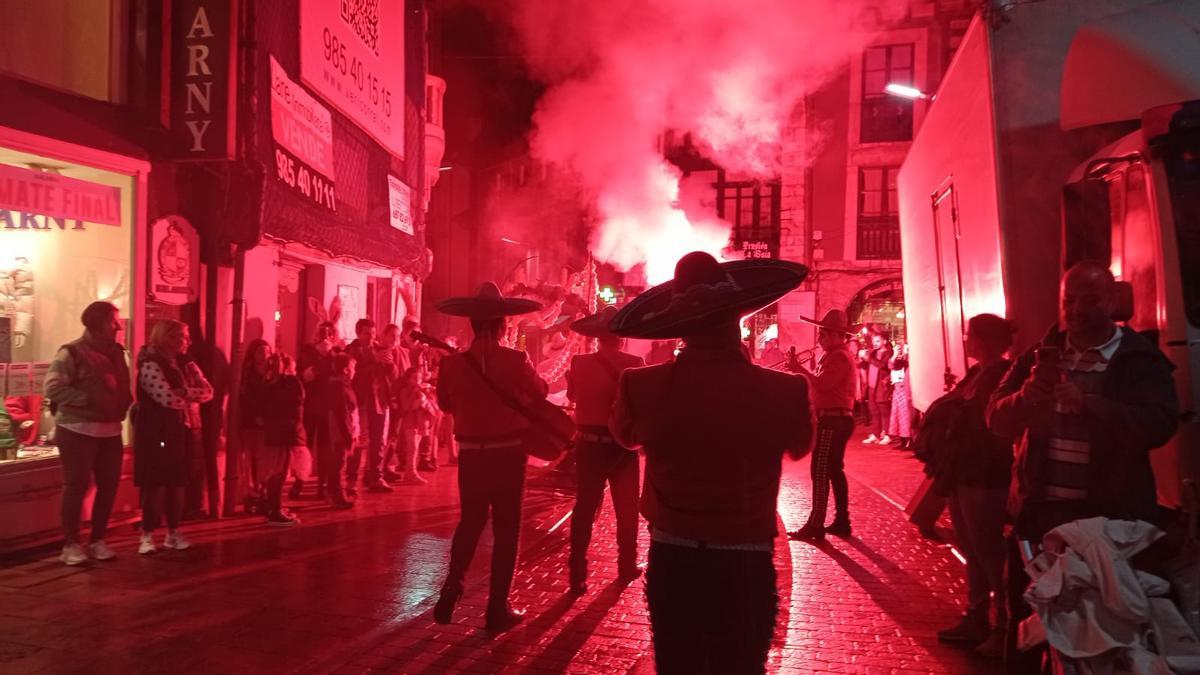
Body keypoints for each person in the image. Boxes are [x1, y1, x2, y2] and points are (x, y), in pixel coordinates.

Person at [610, 252, 813, 674]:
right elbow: (800, 446)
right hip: (746, 559)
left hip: (674, 557)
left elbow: (625, 438)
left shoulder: (641, 386)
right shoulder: (784, 390)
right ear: (738, 318)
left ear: (680, 325)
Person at [987, 261, 1179, 670]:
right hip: (1040, 519)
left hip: (1109, 524)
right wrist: (1026, 397)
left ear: (1112, 301)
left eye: (1089, 300)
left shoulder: (1139, 360)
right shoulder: (1038, 357)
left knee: (1104, 639)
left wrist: (1091, 406)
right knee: (1029, 629)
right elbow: (996, 420)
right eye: (1068, 300)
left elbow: (1159, 425)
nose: (1075, 310)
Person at [432, 282, 546, 633]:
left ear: (472, 323)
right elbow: (540, 392)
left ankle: (452, 585)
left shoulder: (451, 364)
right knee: (506, 531)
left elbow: (445, 404)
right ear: (501, 323)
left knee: (470, 523)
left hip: (471, 456)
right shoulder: (515, 360)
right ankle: (497, 608)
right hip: (508, 455)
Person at [935, 314, 1016, 657]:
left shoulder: (1001, 374)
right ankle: (977, 614)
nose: (966, 340)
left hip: (985, 473)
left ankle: (1005, 624)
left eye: (971, 335)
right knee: (971, 546)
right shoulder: (977, 373)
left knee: (988, 550)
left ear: (985, 340)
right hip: (963, 470)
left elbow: (989, 425)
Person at [44, 301, 133, 565]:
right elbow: (52, 387)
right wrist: (89, 400)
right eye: (112, 321)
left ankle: (97, 540)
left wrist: (122, 403)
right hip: (77, 429)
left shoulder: (117, 353)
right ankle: (71, 544)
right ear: (97, 324)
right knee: (76, 485)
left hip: (110, 430)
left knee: (109, 486)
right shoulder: (71, 352)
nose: (118, 327)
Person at [565, 306, 646, 595]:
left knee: (584, 508)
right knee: (627, 509)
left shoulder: (579, 362)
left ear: (597, 337)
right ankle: (626, 564)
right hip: (621, 445)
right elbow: (639, 405)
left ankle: (577, 573)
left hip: (588, 444)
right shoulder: (635, 363)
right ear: (621, 337)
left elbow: (573, 396)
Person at [134, 320, 213, 554]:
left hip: (182, 429)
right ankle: (147, 534)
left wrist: (186, 392)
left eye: (185, 337)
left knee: (178, 482)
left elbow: (208, 391)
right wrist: (188, 397)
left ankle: (173, 531)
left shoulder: (186, 363)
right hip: (156, 430)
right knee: (156, 482)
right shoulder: (150, 363)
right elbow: (166, 398)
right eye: (180, 336)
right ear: (166, 338)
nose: (185, 341)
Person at [787, 309, 859, 541]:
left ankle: (816, 524)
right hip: (834, 419)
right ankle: (842, 521)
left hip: (833, 421)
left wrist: (800, 370)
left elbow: (823, 385)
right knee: (834, 470)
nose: (820, 338)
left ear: (838, 335)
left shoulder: (839, 357)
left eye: (824, 334)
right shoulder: (834, 356)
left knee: (820, 471)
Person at [346, 318, 396, 494]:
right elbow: (355, 376)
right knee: (359, 441)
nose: (371, 337)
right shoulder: (351, 351)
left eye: (373, 333)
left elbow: (393, 375)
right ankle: (352, 480)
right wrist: (374, 361)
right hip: (361, 402)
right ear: (358, 333)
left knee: (379, 440)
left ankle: (376, 476)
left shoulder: (379, 349)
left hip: (379, 400)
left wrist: (390, 364)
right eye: (367, 333)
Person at [261, 353, 305, 526]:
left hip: (273, 432)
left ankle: (273, 507)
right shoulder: (291, 383)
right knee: (279, 472)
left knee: (275, 471)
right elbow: (298, 402)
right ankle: (275, 510)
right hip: (285, 433)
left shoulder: (269, 383)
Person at [297, 321, 338, 499]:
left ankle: (322, 484)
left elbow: (337, 374)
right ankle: (299, 481)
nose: (325, 337)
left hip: (327, 407)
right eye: (322, 333)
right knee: (304, 446)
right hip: (310, 406)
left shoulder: (336, 355)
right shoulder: (307, 353)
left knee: (325, 448)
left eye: (329, 333)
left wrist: (329, 355)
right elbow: (302, 376)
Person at [237, 339, 273, 512]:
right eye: (260, 352)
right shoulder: (248, 374)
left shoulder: (272, 373)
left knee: (265, 460)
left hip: (267, 423)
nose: (264, 356)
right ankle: (252, 495)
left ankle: (263, 492)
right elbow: (246, 399)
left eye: (267, 352)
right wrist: (255, 416)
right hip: (251, 423)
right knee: (251, 459)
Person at [321, 352, 358, 510]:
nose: (355, 371)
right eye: (353, 367)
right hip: (339, 433)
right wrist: (348, 436)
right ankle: (336, 494)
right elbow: (342, 414)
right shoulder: (338, 387)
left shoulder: (342, 386)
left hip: (343, 431)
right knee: (338, 464)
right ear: (345, 370)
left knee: (338, 463)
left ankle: (334, 493)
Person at [862, 331, 894, 444]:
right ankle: (875, 434)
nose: (875, 343)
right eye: (874, 341)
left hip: (881, 386)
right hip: (872, 386)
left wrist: (868, 359)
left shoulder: (889, 352)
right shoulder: (873, 353)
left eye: (877, 341)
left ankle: (887, 434)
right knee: (874, 411)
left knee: (884, 411)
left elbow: (883, 365)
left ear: (884, 341)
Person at [887, 342, 914, 449]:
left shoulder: (908, 361)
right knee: (898, 416)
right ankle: (902, 440)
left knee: (906, 416)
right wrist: (895, 353)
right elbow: (890, 365)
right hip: (897, 390)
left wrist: (906, 353)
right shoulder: (895, 361)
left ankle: (909, 441)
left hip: (905, 390)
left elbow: (907, 364)